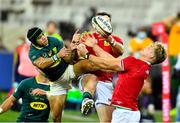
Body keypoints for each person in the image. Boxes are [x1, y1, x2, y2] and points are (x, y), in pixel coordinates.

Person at [77, 34, 167, 122]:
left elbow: (107, 64)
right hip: (131, 112)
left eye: (150, 47)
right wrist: (95, 46)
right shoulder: (142, 66)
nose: (146, 47)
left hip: (124, 113)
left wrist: (87, 55)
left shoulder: (134, 62)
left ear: (152, 56)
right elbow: (112, 61)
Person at [27, 27, 98, 122]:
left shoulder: (53, 40)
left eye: (43, 34)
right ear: (34, 42)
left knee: (91, 66)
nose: (43, 37)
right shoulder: (33, 52)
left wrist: (72, 47)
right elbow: (42, 64)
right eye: (39, 37)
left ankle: (86, 98)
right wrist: (57, 56)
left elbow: (68, 59)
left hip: (68, 69)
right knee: (56, 117)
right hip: (56, 81)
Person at [79, 12, 124, 122]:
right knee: (93, 77)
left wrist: (109, 39)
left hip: (106, 82)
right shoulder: (87, 37)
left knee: (107, 121)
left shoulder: (115, 39)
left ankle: (87, 100)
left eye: (107, 21)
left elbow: (120, 51)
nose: (105, 23)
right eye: (102, 21)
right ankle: (86, 98)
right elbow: (79, 54)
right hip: (88, 77)